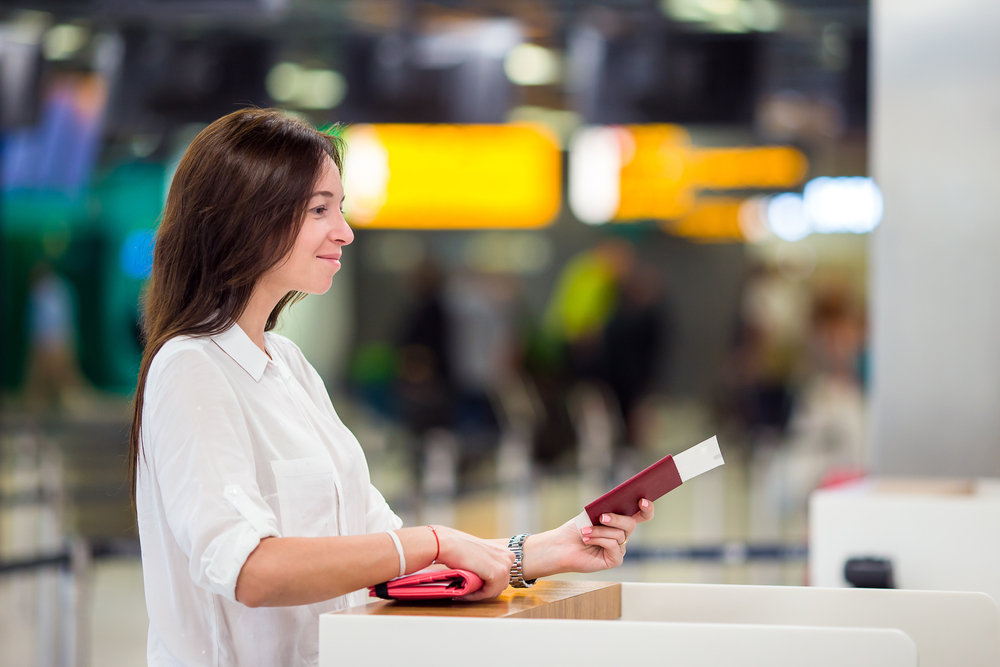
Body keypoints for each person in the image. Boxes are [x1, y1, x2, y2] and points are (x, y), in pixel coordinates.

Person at [129, 108, 655, 667]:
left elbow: (387, 557)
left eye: (341, 208)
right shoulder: (191, 368)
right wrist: (432, 539)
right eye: (319, 210)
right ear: (246, 217)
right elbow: (251, 570)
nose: (344, 231)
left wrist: (548, 549)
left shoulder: (288, 365)